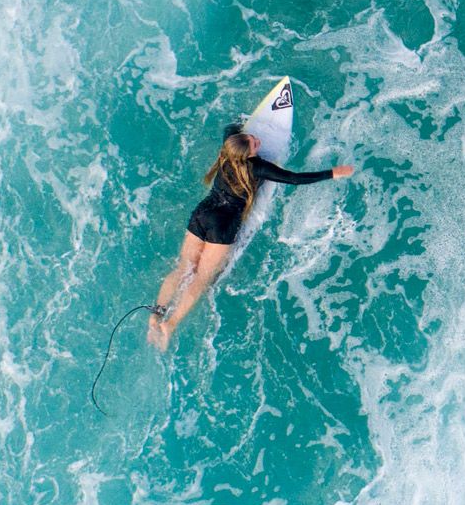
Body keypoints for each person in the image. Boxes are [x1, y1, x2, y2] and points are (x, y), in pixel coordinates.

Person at [149, 128, 354, 348]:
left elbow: (229, 130)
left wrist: (238, 131)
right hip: (222, 226)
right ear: (246, 155)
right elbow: (294, 179)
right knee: (201, 278)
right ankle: (170, 324)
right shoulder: (257, 168)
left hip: (202, 213)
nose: (257, 140)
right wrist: (334, 172)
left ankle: (156, 314)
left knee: (184, 267)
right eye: (254, 143)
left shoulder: (227, 153)